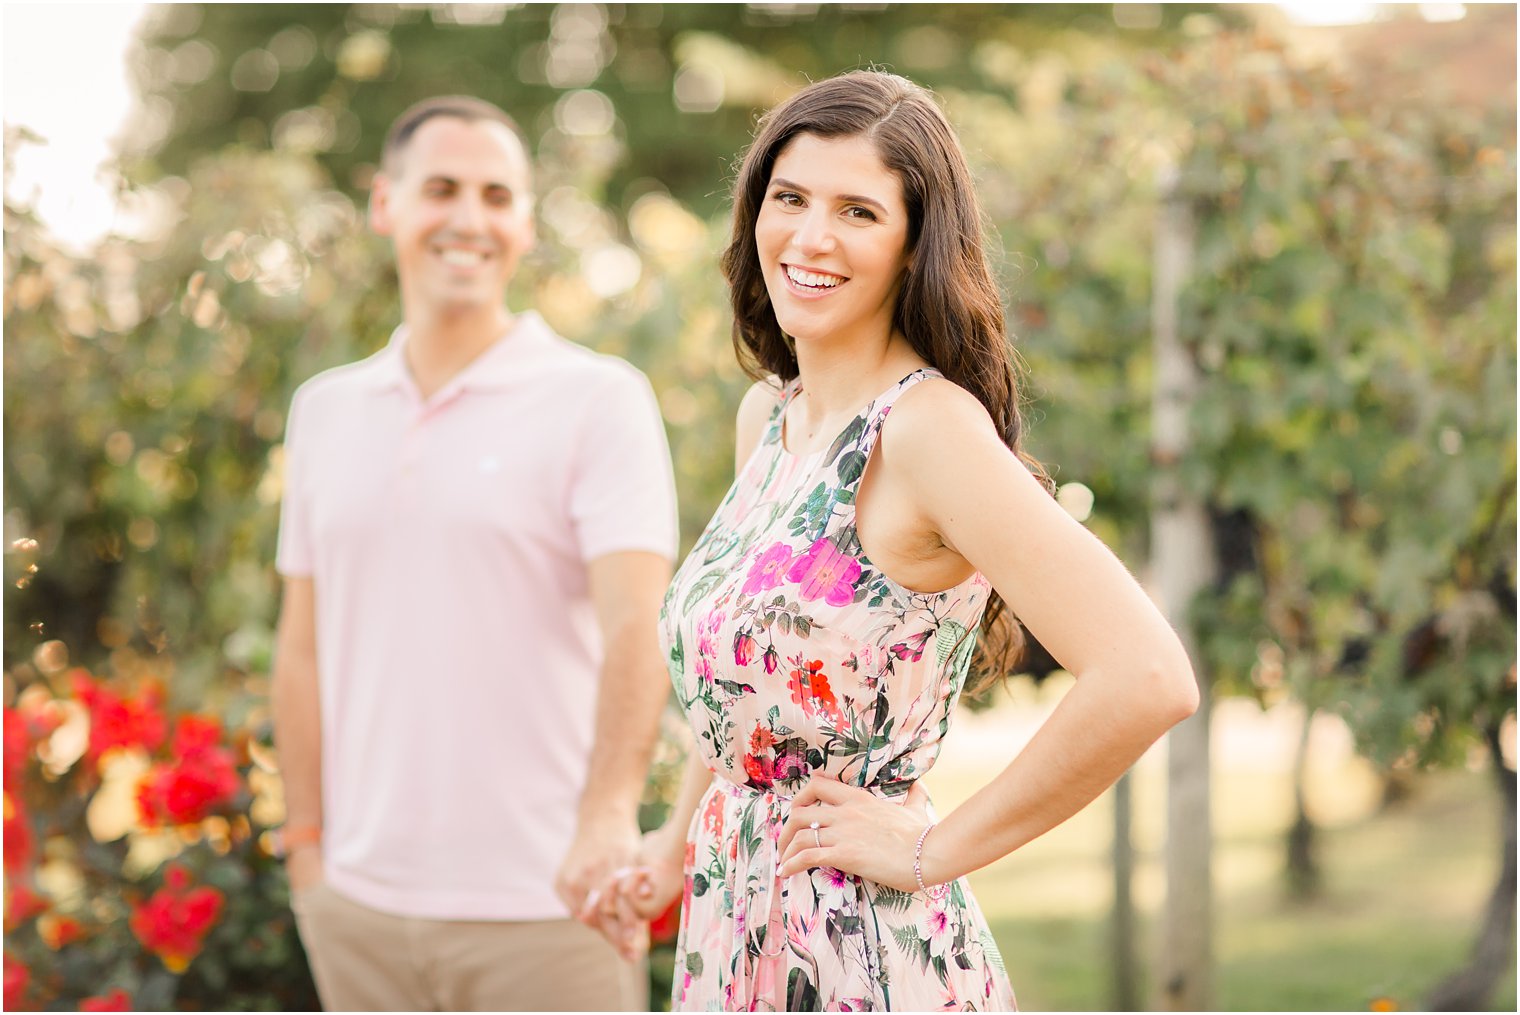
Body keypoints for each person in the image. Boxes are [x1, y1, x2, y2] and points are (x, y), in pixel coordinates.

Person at [586, 71, 1200, 1010]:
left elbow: (1148, 675)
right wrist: (669, 854)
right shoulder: (771, 420)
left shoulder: (926, 433)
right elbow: (748, 694)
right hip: (735, 935)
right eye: (789, 198)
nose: (811, 236)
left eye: (858, 212)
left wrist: (928, 849)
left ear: (915, 248)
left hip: (861, 954)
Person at [271, 95, 677, 1012]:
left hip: (549, 907)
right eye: (442, 188)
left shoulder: (597, 399)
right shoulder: (325, 410)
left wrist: (607, 819)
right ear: (386, 203)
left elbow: (637, 628)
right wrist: (307, 852)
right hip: (358, 908)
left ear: (526, 224)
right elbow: (302, 644)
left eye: (498, 196)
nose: (470, 219)